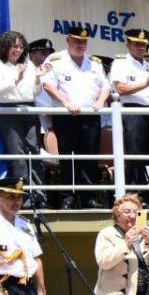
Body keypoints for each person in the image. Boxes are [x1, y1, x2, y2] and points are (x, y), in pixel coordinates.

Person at [42, 26, 110, 209]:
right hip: (67, 116)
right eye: (77, 41)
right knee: (68, 158)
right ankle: (67, 197)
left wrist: (101, 101)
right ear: (68, 41)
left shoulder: (94, 62)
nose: (81, 45)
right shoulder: (56, 60)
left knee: (89, 157)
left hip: (90, 116)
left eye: (84, 41)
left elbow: (105, 86)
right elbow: (48, 85)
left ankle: (88, 197)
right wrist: (65, 102)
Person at [0, 31, 48, 204]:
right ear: (6, 47)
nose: (18, 50)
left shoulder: (28, 65)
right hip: (8, 110)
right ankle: (23, 197)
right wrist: (17, 77)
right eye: (15, 46)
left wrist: (37, 79)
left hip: (28, 108)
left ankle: (39, 195)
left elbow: (35, 93)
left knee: (34, 152)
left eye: (21, 47)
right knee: (18, 154)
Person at [109, 28, 149, 189]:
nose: (141, 48)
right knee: (135, 152)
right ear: (128, 45)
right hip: (133, 111)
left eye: (144, 45)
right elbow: (120, 89)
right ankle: (135, 190)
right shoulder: (120, 63)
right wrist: (145, 84)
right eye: (137, 44)